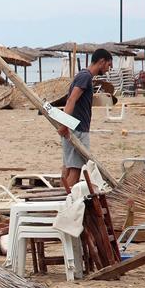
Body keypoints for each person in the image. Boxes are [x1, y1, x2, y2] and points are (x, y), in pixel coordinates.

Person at [56, 48, 113, 189]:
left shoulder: (83, 75)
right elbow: (71, 100)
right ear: (101, 62)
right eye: (108, 65)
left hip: (73, 126)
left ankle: (62, 197)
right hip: (78, 129)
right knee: (75, 169)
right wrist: (64, 124)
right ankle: (66, 202)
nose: (108, 69)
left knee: (68, 167)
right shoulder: (85, 77)